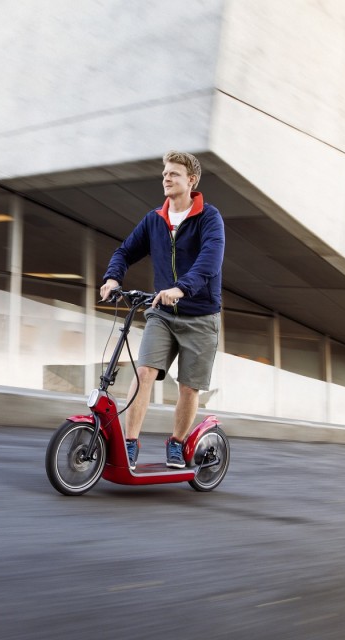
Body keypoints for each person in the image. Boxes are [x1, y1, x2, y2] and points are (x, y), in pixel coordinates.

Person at [99, 150, 225, 470]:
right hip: (163, 313)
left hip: (201, 315)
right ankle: (129, 444)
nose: (166, 178)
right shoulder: (155, 219)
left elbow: (209, 261)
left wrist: (182, 288)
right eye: (165, 173)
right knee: (144, 372)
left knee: (188, 387)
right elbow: (125, 251)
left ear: (191, 180)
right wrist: (113, 278)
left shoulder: (209, 218)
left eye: (174, 174)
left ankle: (177, 443)